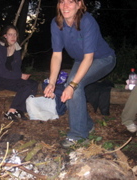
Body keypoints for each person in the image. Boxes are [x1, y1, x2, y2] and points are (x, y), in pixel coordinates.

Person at [44, 0, 116, 148]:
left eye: (70, 2)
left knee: (74, 87)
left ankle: (78, 136)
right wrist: (52, 82)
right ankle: (86, 125)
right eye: (62, 2)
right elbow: (57, 55)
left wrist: (72, 85)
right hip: (81, 60)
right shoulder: (56, 23)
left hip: (103, 59)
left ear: (79, 4)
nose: (65, 6)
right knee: (69, 87)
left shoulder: (87, 21)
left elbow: (89, 58)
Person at [0, 25, 38, 121]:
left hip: (12, 78)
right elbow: (1, 72)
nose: (13, 37)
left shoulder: (16, 48)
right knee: (26, 86)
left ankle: (20, 110)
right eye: (10, 34)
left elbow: (16, 68)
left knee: (33, 84)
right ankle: (11, 111)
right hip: (1, 79)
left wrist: (20, 76)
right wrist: (20, 76)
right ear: (5, 36)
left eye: (15, 35)